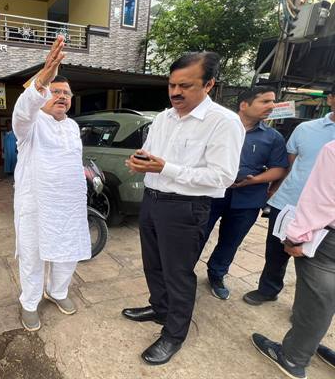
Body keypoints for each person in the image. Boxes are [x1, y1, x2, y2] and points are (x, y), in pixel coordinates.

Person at [121, 52, 245, 365]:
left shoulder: (223, 122)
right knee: (153, 264)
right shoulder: (164, 118)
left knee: (177, 273)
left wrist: (166, 168)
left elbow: (223, 176)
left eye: (185, 86)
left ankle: (174, 334)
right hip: (152, 200)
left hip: (186, 207)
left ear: (209, 84)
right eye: (172, 85)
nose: (175, 92)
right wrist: (140, 161)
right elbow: (151, 155)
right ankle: (160, 308)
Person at [12, 36, 91, 332]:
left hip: (68, 205)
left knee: (67, 252)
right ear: (44, 94)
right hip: (36, 204)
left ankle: (57, 291)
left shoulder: (72, 126)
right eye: (55, 91)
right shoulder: (30, 124)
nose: (62, 96)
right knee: (32, 255)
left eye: (67, 93)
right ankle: (30, 302)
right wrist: (44, 77)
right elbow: (22, 110)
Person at [243, 84, 335, 306]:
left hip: (327, 214)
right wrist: (274, 191)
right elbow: (288, 165)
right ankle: (268, 289)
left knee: (316, 266)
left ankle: (307, 311)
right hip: (289, 204)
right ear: (331, 99)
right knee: (276, 253)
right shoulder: (306, 129)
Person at [252, 140, 335, 379]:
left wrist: (295, 237)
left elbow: (321, 199)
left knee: (316, 302)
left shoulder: (332, 150)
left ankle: (293, 357)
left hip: (328, 240)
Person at [202, 87, 288, 300]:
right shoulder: (217, 127)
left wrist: (254, 180)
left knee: (231, 241)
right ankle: (182, 273)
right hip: (210, 194)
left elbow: (279, 169)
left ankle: (216, 274)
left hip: (248, 199)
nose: (272, 106)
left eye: (273, 101)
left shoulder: (273, 137)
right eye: (265, 101)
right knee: (196, 235)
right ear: (244, 105)